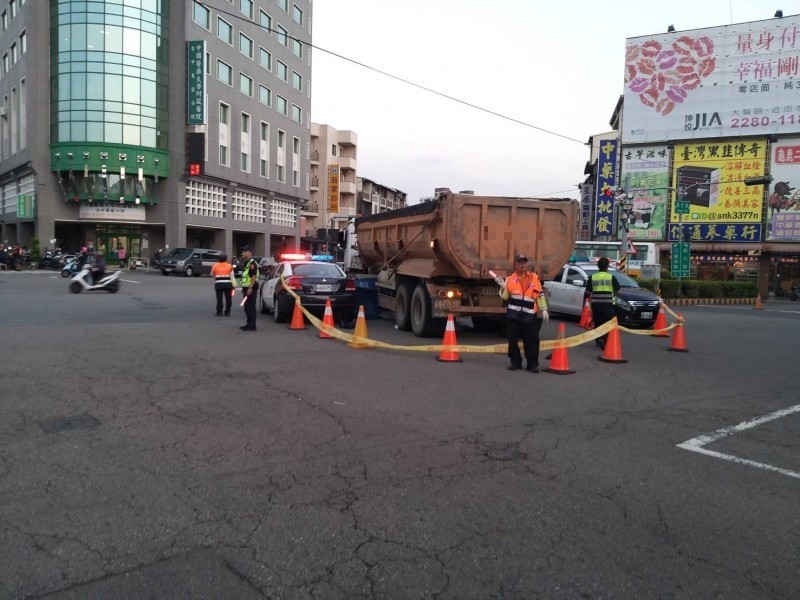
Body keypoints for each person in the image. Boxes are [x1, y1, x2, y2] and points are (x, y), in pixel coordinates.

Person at [497, 253, 548, 372]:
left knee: (532, 340)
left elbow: (539, 295)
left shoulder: (534, 277)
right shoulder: (510, 278)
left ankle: (532, 364)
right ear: (515, 264)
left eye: (524, 262)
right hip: (513, 315)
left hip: (530, 314)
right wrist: (503, 286)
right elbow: (505, 297)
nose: (522, 265)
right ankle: (515, 362)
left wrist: (544, 309)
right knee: (513, 340)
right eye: (520, 262)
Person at [586, 256, 620, 350]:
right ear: (607, 267)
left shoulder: (592, 277)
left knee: (598, 322)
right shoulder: (611, 277)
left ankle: (598, 340)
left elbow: (588, 292)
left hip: (596, 305)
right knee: (607, 323)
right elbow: (618, 290)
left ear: (598, 266)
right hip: (608, 304)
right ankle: (604, 340)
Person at [238, 245, 259, 331]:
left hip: (251, 288)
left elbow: (253, 276)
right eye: (243, 251)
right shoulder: (246, 262)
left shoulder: (252, 263)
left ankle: (252, 326)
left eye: (245, 251)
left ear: (250, 252)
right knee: (246, 306)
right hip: (246, 287)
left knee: (250, 307)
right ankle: (248, 324)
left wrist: (250, 287)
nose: (243, 252)